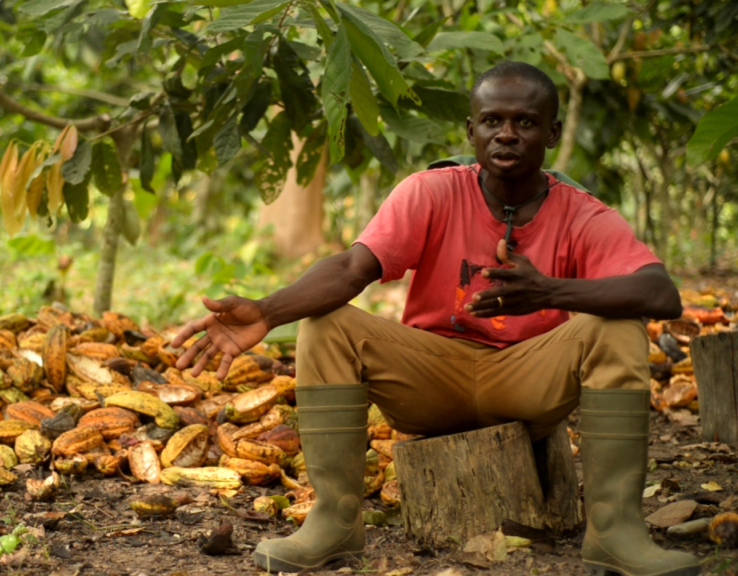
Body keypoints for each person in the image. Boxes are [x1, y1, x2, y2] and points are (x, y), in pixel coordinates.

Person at [171, 61, 701, 576]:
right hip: (432, 376)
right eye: (493, 121)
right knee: (327, 324)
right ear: (471, 130)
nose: (508, 134)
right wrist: (266, 311)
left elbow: (660, 293)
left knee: (618, 323)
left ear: (552, 133)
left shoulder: (582, 212)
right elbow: (353, 268)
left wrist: (549, 291)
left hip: (529, 379)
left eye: (525, 122)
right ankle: (335, 519)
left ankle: (615, 532)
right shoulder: (431, 192)